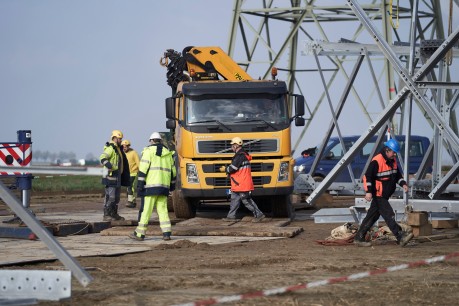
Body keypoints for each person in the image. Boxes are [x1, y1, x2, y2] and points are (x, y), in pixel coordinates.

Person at [354, 138, 414, 247]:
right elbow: (367, 177)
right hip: (378, 194)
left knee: (372, 217)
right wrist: (368, 192)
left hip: (384, 195)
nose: (394, 155)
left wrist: (403, 184)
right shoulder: (377, 161)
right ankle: (400, 236)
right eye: (393, 152)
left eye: (395, 153)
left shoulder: (392, 161)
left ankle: (359, 238)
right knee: (389, 214)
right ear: (387, 150)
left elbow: (397, 176)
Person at [129, 132, 176, 241]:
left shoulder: (148, 151)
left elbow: (143, 169)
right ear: (160, 141)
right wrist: (172, 187)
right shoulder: (168, 153)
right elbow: (173, 172)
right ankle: (167, 233)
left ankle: (140, 234)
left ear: (151, 141)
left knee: (146, 211)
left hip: (150, 187)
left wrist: (139, 185)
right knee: (163, 210)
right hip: (163, 187)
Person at [223, 137, 266, 222]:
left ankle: (259, 215)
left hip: (242, 183)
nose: (231, 147)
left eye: (232, 145)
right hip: (237, 183)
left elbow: (233, 168)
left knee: (247, 201)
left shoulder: (240, 156)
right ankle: (231, 216)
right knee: (234, 200)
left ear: (236, 145)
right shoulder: (242, 155)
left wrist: (225, 169)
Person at [100, 130, 130, 221]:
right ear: (114, 138)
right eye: (119, 139)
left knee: (116, 198)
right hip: (111, 177)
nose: (121, 140)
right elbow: (102, 157)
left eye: (121, 139)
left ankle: (114, 214)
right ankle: (107, 214)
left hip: (117, 177)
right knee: (111, 197)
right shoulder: (111, 148)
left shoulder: (118, 149)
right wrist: (109, 166)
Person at [121, 139, 140, 208]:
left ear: (128, 146)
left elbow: (138, 162)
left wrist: (141, 171)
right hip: (126, 174)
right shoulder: (122, 153)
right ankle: (133, 201)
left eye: (126, 146)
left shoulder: (134, 153)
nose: (124, 148)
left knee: (130, 187)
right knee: (128, 188)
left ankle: (130, 201)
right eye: (123, 146)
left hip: (133, 173)